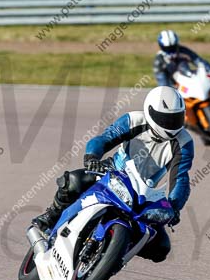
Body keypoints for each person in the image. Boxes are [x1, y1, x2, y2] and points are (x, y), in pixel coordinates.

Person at [32, 86, 193, 263]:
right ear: (150, 111)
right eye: (165, 118)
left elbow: (181, 178)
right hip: (113, 172)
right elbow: (105, 138)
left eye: (175, 118)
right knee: (74, 181)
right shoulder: (134, 120)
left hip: (143, 193)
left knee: (161, 247)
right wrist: (93, 157)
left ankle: (113, 251)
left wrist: (173, 206)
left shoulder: (184, 142)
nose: (170, 124)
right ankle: (50, 217)